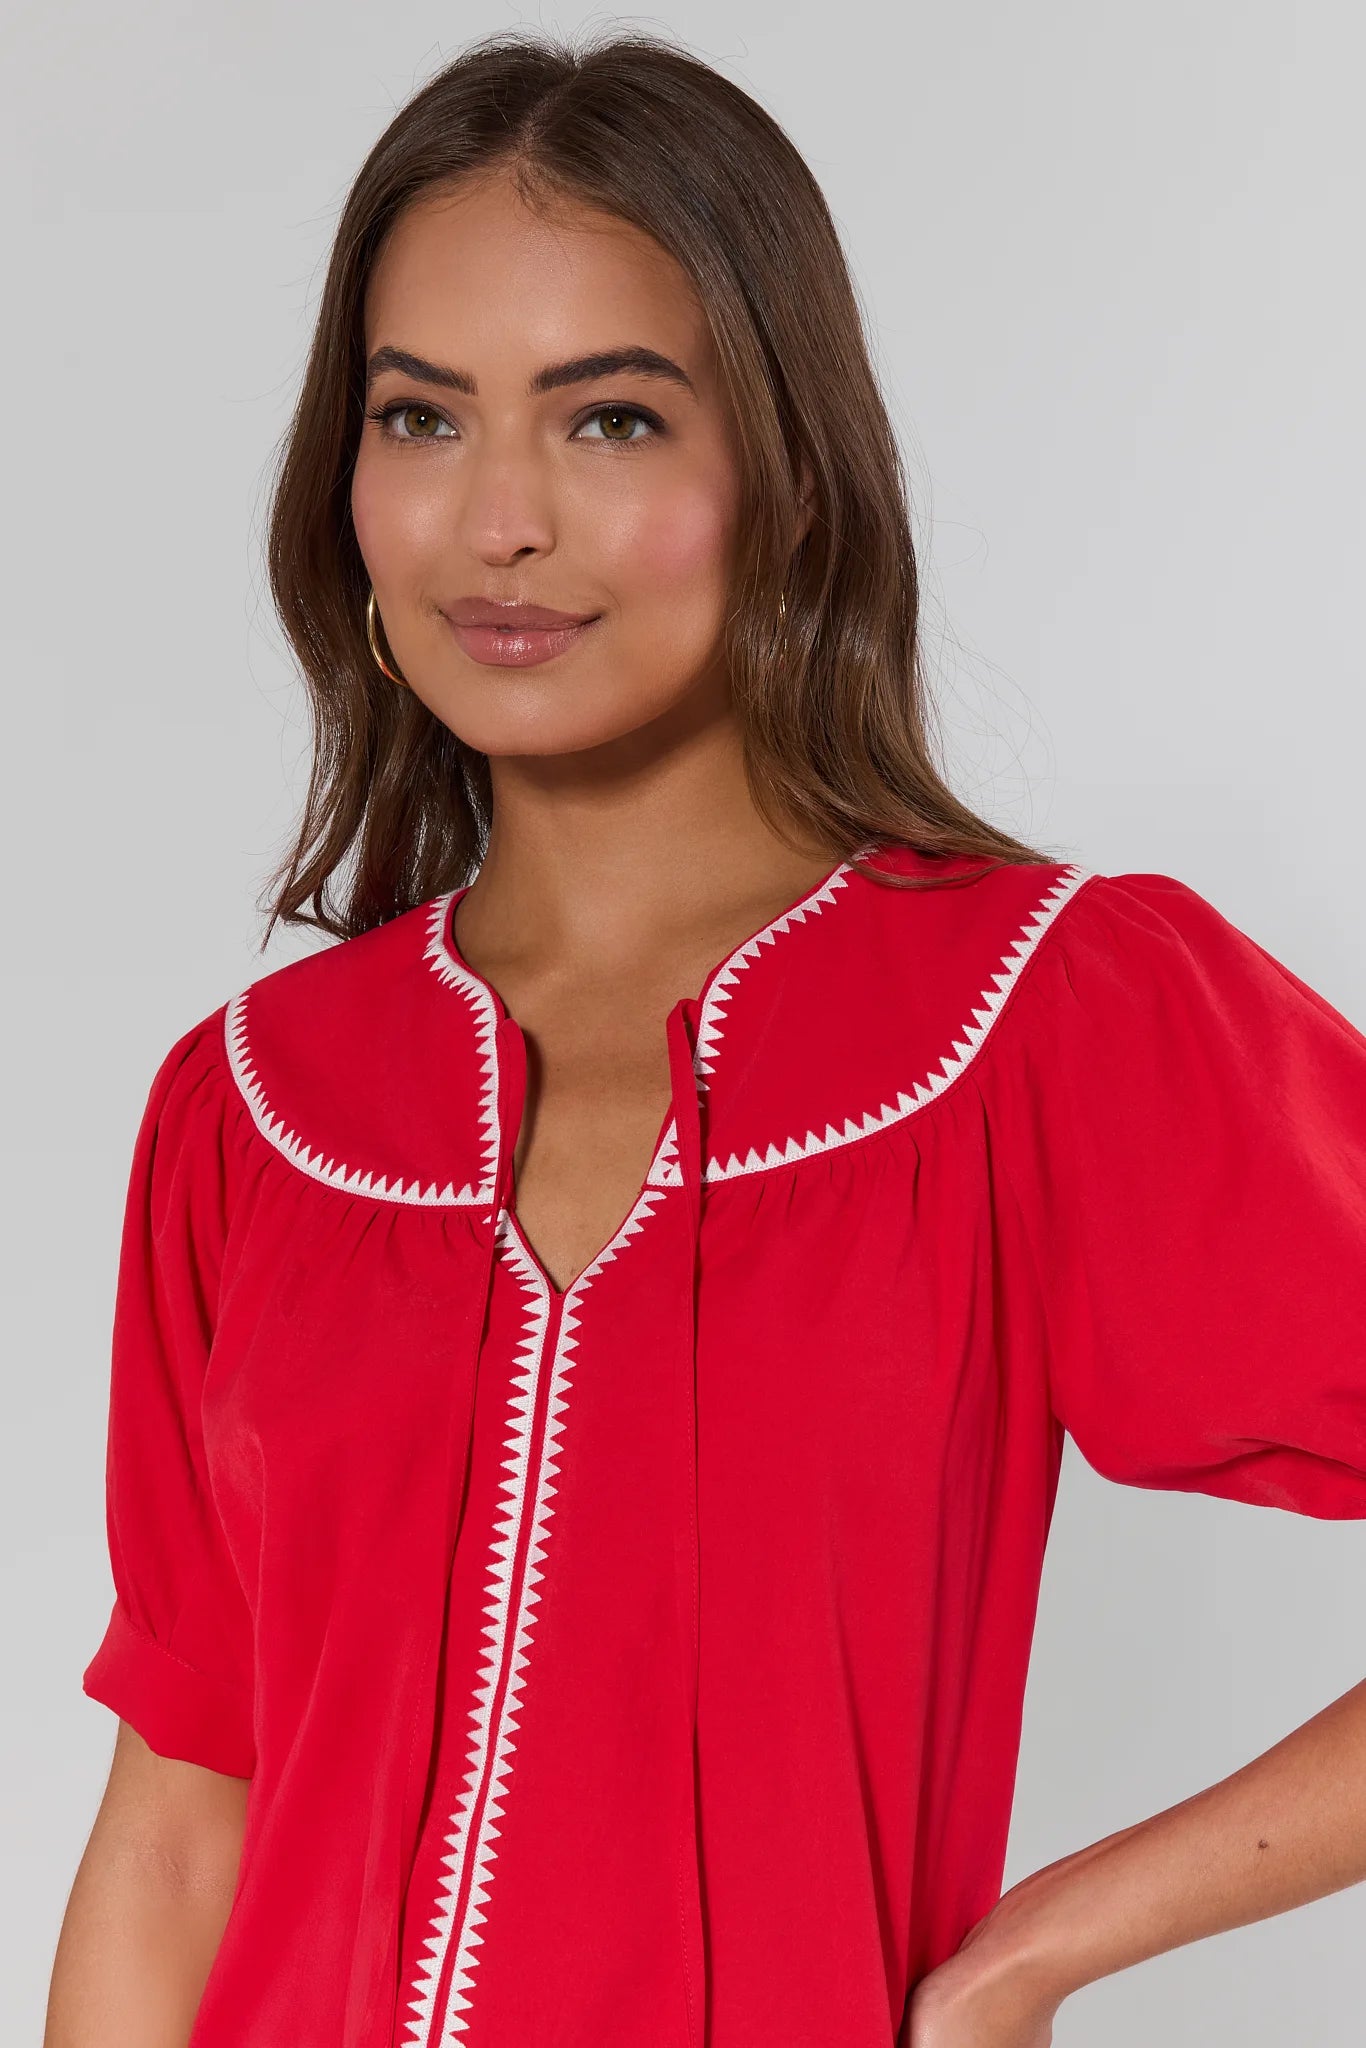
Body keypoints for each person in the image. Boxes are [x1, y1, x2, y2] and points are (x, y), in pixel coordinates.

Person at [44, 27, 1366, 2048]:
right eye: (419, 416)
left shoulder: (1041, 1016)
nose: (496, 522)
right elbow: (176, 1828)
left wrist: (1040, 1945)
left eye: (609, 423)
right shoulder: (252, 1110)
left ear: (785, 467)